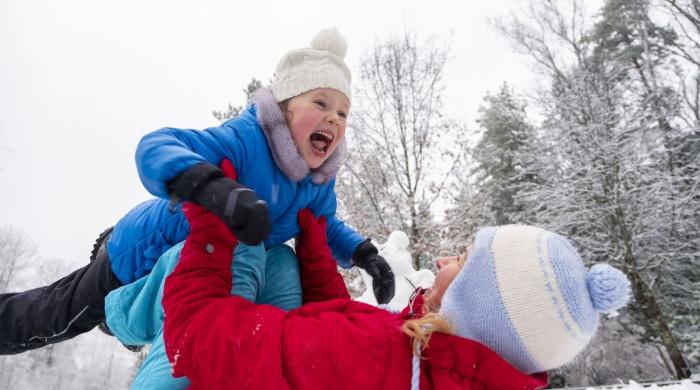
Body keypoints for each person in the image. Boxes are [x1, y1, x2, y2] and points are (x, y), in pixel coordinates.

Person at [0, 27, 395, 355]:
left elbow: (326, 226)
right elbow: (156, 146)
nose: (333, 116)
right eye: (321, 101)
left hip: (193, 274)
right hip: (140, 253)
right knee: (57, 316)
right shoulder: (246, 140)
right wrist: (211, 186)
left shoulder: (317, 183)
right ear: (286, 107)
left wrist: (364, 254)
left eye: (343, 112)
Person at [161, 203, 632, 390]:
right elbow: (329, 342)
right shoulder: (425, 364)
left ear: (479, 304)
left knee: (210, 265)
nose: (445, 259)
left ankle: (110, 307)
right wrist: (317, 254)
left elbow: (195, 335)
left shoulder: (381, 356)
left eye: (464, 259)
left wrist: (210, 230)